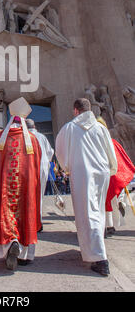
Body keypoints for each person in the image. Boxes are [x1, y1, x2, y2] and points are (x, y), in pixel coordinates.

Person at [55, 98, 117, 277]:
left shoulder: (69, 128)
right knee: (97, 211)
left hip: (83, 174)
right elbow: (110, 151)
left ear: (76, 111)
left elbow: (60, 152)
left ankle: (100, 258)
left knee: (88, 214)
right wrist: (111, 168)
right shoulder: (100, 128)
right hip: (102, 173)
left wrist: (67, 167)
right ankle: (93, 251)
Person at [0, 97, 42, 271]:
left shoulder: (0, 139)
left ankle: (10, 243)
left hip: (5, 187)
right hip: (25, 186)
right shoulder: (31, 139)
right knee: (26, 213)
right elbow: (38, 164)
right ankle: (25, 255)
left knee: (6, 214)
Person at [97, 117, 135, 235]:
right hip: (116, 175)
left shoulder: (97, 144)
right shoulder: (113, 142)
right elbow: (122, 160)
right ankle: (121, 203)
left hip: (103, 176)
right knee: (114, 199)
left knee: (105, 202)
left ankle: (109, 225)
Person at [26, 119, 54, 228]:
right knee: (39, 195)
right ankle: (38, 221)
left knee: (28, 195)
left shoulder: (25, 136)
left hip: (28, 168)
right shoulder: (42, 137)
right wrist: (46, 161)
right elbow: (50, 152)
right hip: (42, 167)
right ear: (35, 126)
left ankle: (30, 221)